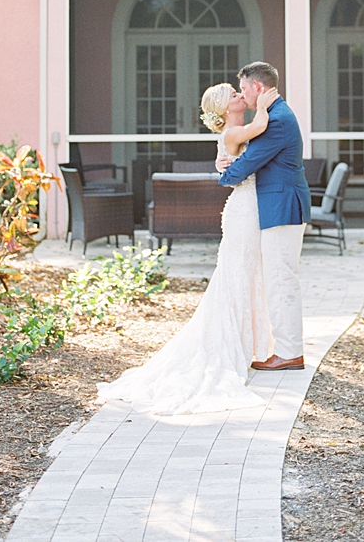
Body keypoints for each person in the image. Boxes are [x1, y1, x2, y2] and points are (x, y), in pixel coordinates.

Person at [96, 83, 278, 414]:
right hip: (243, 212)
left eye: (239, 92)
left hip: (250, 208)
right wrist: (266, 102)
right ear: (225, 109)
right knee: (238, 275)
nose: (241, 95)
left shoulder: (235, 132)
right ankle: (235, 346)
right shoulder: (234, 132)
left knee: (245, 275)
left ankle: (246, 344)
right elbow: (261, 125)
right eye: (234, 94)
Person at [217, 62, 311, 372]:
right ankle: (287, 349)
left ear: (257, 87)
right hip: (277, 207)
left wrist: (225, 174)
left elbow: (247, 164)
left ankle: (289, 352)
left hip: (282, 208)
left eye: (244, 88)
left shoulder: (277, 120)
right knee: (279, 278)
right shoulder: (272, 115)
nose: (242, 94)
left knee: (281, 280)